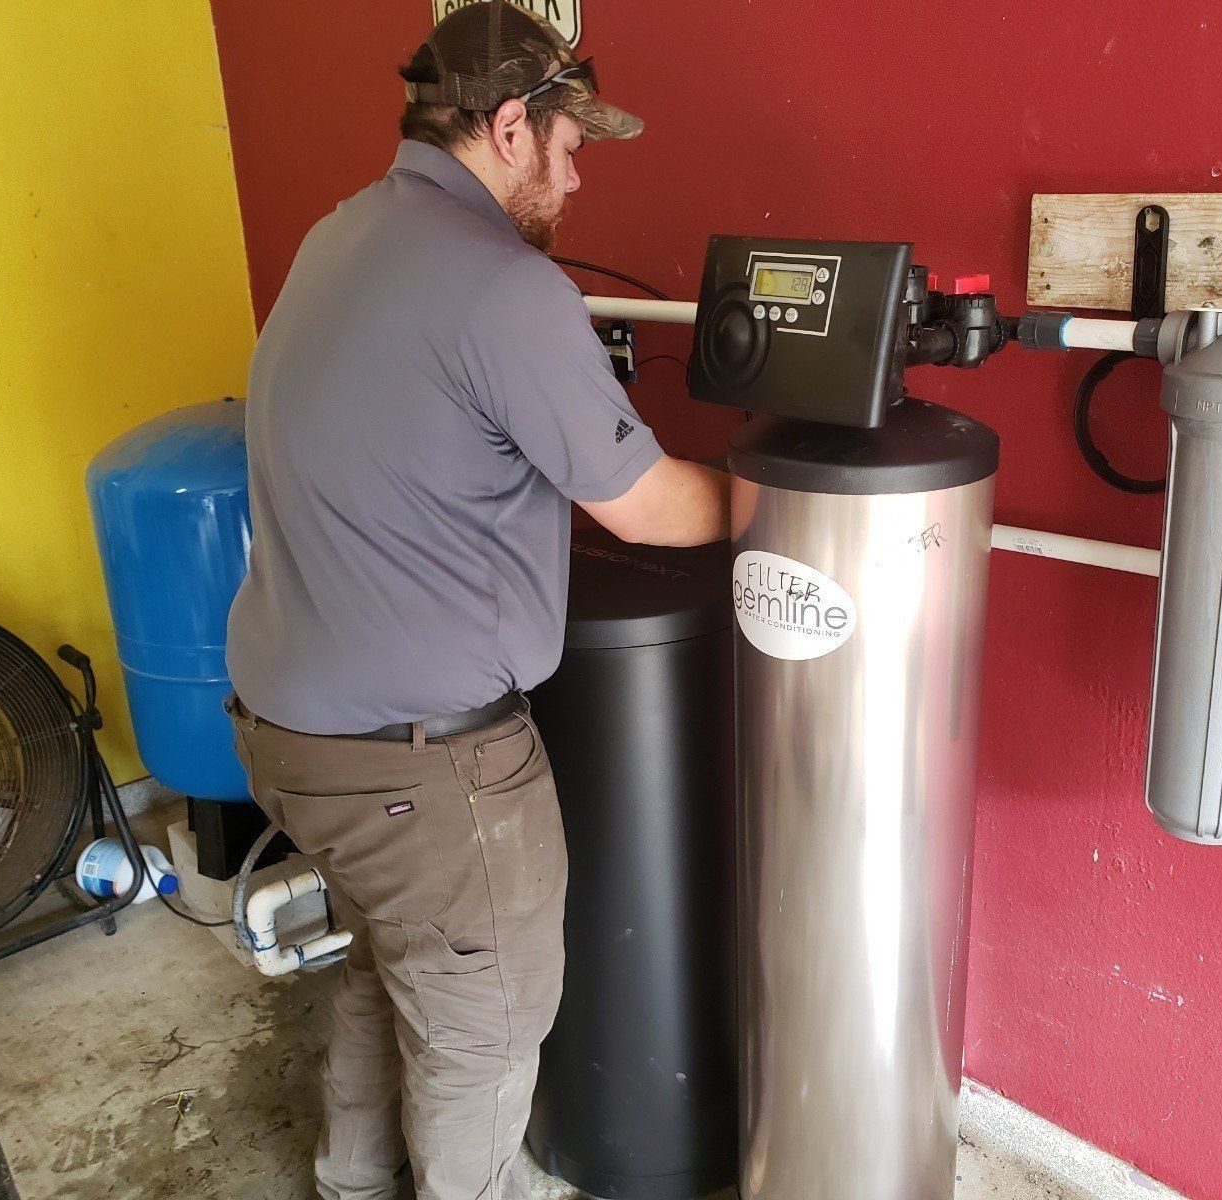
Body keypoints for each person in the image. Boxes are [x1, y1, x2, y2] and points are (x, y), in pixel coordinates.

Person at [224, 5, 728, 1198]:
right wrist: (782, 503)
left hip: (289, 728)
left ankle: (351, 1178)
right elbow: (648, 507)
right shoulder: (503, 285)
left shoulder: (336, 235)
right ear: (511, 127)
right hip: (421, 769)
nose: (577, 177)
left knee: (381, 967)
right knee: (482, 1028)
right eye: (570, 147)